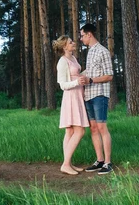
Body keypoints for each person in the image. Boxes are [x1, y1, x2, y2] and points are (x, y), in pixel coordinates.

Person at [78, 23, 114, 175]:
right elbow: (90, 72)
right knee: (93, 128)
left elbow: (109, 75)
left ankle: (108, 163)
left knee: (101, 128)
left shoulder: (102, 51)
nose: (80, 39)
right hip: (88, 95)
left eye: (82, 35)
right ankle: (99, 160)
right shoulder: (90, 52)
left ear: (89, 35)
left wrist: (91, 80)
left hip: (99, 94)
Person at [53, 35, 89, 175]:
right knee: (79, 131)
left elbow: (77, 75)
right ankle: (66, 164)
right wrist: (77, 83)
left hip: (78, 96)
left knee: (70, 131)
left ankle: (68, 163)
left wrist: (88, 71)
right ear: (64, 47)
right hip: (71, 97)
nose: (74, 43)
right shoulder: (62, 62)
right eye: (70, 42)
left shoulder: (73, 58)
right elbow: (62, 85)